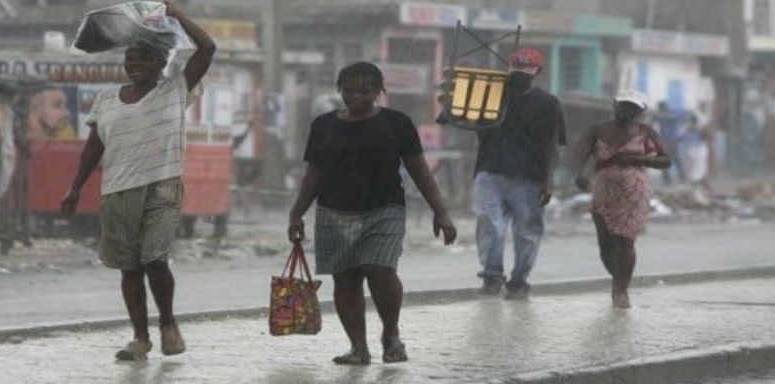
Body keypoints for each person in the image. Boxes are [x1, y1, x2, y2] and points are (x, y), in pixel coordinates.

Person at [60, 1, 215, 360]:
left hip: (162, 186)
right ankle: (140, 338)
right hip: (116, 192)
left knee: (155, 258)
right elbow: (93, 148)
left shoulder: (175, 89)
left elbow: (207, 48)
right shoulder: (107, 100)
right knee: (129, 267)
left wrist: (176, 15)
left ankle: (168, 325)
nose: (135, 66)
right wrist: (75, 188)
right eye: (129, 61)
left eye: (143, 60)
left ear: (161, 63)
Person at [288, 62, 457, 366]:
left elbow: (420, 170)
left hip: (385, 210)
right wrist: (296, 213)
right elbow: (314, 174)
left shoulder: (397, 124)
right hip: (333, 212)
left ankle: (391, 335)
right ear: (340, 90)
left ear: (379, 92)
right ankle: (358, 348)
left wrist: (440, 212)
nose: (356, 97)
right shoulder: (323, 126)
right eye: (349, 91)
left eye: (365, 91)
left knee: (380, 269)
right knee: (346, 278)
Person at [472, 48, 566, 300]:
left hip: (529, 176)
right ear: (509, 68)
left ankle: (519, 280)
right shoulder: (489, 96)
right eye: (518, 70)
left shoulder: (548, 103)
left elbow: (552, 145)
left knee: (526, 231)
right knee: (489, 223)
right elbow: (459, 117)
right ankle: (491, 276)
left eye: (526, 71)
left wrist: (547, 181)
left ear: (537, 72)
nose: (521, 76)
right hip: (489, 170)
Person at [571, 92, 671, 308]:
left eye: (633, 108)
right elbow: (579, 153)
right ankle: (619, 277)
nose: (627, 111)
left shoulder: (646, 132)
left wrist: (637, 158)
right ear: (615, 105)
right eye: (624, 106)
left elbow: (666, 160)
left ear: (640, 111)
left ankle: (620, 290)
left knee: (626, 240)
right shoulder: (597, 130)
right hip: (603, 193)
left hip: (634, 194)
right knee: (605, 243)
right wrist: (578, 174)